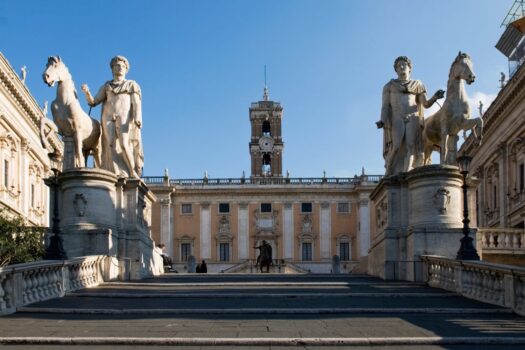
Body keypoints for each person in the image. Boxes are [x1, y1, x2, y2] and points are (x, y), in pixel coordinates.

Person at [377, 56, 444, 175]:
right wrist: (382, 120)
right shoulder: (389, 86)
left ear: (409, 68)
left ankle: (408, 172)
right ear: (396, 70)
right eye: (398, 66)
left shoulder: (417, 84)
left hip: (413, 117)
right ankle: (389, 168)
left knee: (411, 145)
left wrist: (435, 97)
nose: (401, 67)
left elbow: (425, 103)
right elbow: (385, 106)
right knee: (396, 145)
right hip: (397, 117)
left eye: (404, 65)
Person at [81, 56, 144, 178]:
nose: (120, 68)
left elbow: (136, 103)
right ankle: (114, 173)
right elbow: (93, 102)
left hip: (124, 117)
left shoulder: (131, 85)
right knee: (110, 145)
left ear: (126, 69)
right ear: (112, 69)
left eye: (122, 66)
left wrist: (138, 117)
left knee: (124, 144)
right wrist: (87, 92)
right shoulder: (107, 86)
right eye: (117, 66)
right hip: (108, 117)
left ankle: (132, 172)